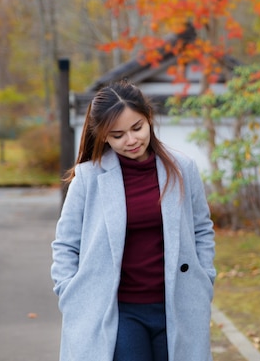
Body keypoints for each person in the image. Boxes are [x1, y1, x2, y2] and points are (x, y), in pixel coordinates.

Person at [51, 81, 216, 361]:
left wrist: (205, 278)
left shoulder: (182, 169)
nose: (131, 140)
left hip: (178, 303)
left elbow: (202, 228)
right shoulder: (88, 178)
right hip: (117, 309)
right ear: (103, 137)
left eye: (137, 128)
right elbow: (66, 244)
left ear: (149, 118)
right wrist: (68, 291)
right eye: (117, 135)